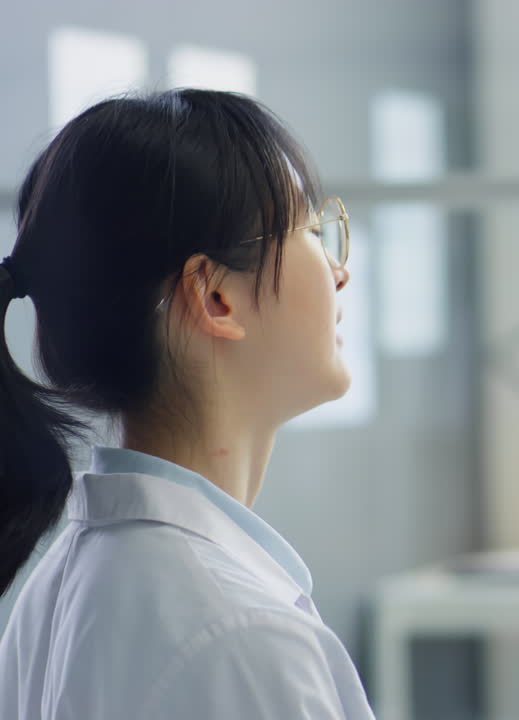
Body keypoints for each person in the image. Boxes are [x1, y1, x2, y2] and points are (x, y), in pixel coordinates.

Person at [0, 89, 374, 719]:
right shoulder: (241, 636)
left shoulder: (60, 586)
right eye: (311, 231)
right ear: (215, 297)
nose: (340, 273)